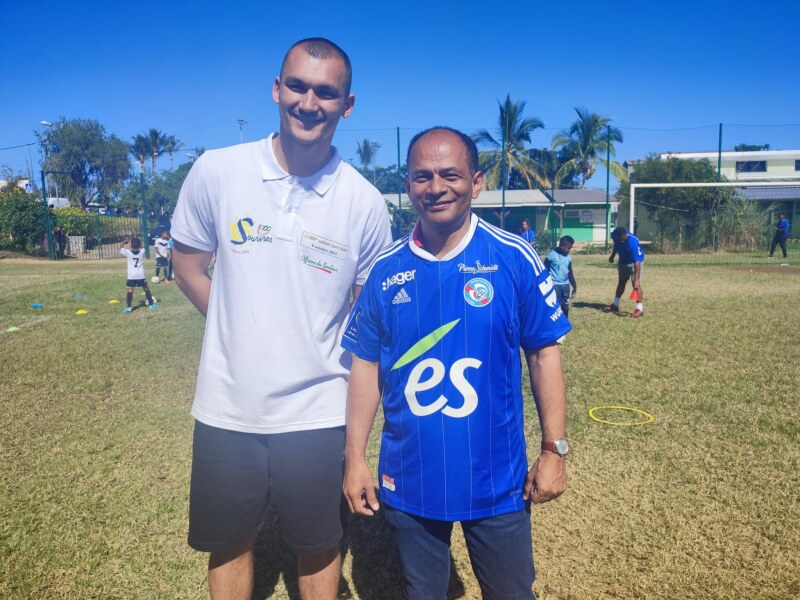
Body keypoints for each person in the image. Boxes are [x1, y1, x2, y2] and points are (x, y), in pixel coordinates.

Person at [170, 38, 392, 600]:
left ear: (347, 105)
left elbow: (365, 320)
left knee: (319, 543)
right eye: (297, 86)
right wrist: (237, 325)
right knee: (229, 541)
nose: (308, 103)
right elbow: (188, 267)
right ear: (276, 89)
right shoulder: (218, 171)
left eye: (326, 92)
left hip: (318, 409)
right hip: (228, 404)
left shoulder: (365, 203)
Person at [341, 127, 571, 600]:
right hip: (410, 479)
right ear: (408, 185)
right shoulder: (385, 270)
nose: (436, 187)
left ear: (477, 182)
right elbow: (365, 365)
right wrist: (354, 459)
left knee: (512, 593)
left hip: (498, 481)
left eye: (450, 174)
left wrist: (554, 451)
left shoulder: (514, 258)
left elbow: (544, 354)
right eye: (422, 176)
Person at [604, 226, 645, 317]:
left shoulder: (632, 242)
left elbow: (636, 263)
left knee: (636, 285)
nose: (622, 241)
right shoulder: (615, 236)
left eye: (623, 239)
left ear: (625, 235)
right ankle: (615, 304)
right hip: (623, 260)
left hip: (636, 262)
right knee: (621, 282)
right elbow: (616, 245)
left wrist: (636, 279)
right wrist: (613, 255)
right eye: (620, 239)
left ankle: (639, 309)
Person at [120, 237, 157, 313]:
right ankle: (151, 304)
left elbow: (121, 248)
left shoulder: (128, 252)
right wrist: (140, 245)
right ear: (139, 245)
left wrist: (124, 242)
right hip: (140, 275)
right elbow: (143, 248)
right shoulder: (142, 251)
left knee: (130, 290)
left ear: (131, 245)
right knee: (146, 289)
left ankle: (129, 307)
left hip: (131, 276)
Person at [545, 235, 577, 319]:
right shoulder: (552, 255)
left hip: (565, 285)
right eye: (568, 248)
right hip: (555, 285)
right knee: (556, 306)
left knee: (565, 305)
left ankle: (565, 322)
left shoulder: (568, 257)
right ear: (562, 246)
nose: (569, 250)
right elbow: (544, 271)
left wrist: (574, 285)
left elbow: (570, 272)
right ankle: (556, 324)